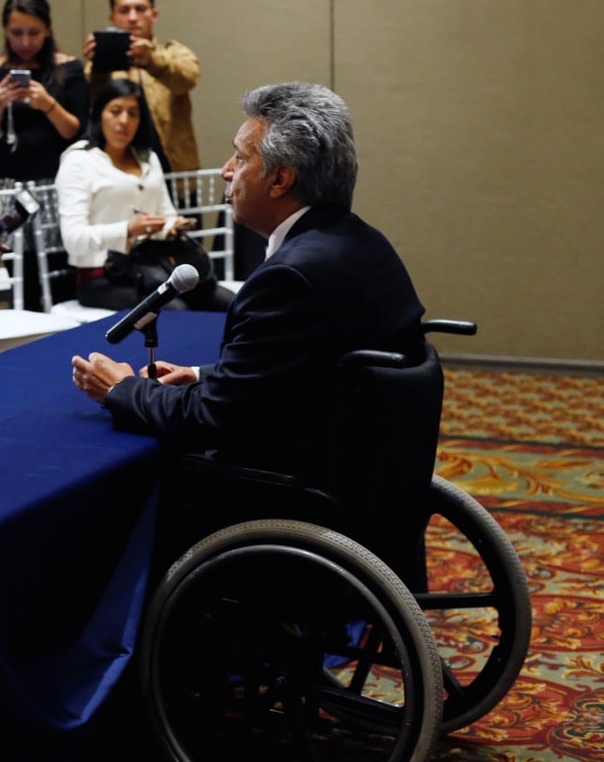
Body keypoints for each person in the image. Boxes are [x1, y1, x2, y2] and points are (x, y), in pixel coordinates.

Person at [71, 82, 426, 476]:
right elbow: (307, 372)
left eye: (240, 158)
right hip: (366, 468)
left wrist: (122, 389)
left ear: (280, 180)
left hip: (288, 487)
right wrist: (203, 375)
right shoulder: (363, 242)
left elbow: (210, 420)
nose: (226, 171)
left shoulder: (290, 277)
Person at [56, 79, 232, 312]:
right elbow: (73, 239)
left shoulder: (148, 158)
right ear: (99, 114)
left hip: (155, 269)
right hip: (103, 277)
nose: (124, 121)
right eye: (115, 112)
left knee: (230, 303)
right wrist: (129, 229)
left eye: (133, 114)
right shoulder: (79, 160)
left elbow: (166, 213)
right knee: (176, 310)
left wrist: (172, 225)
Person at [82, 0, 200, 176]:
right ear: (112, 17)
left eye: (140, 9)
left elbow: (188, 78)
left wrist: (151, 60)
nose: (133, 17)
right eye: (124, 10)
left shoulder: (173, 53)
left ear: (153, 15)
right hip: (121, 174)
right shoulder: (101, 66)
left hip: (175, 169)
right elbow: (90, 104)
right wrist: (98, 65)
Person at [0, 0, 88, 186]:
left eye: (34, 33)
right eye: (16, 33)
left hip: (58, 179)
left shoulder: (70, 69)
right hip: (4, 180)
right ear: (5, 30)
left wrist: (48, 105)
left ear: (48, 29)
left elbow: (76, 135)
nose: (25, 42)